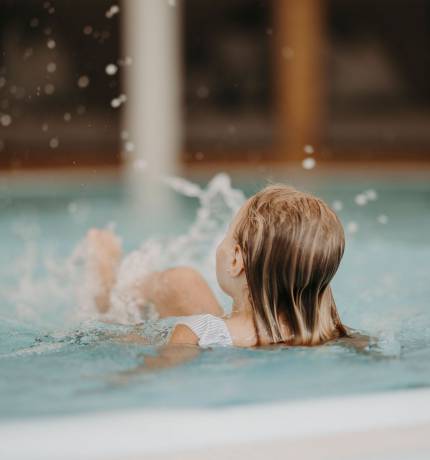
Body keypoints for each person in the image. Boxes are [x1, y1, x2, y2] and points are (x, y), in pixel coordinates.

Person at [84, 183, 368, 356]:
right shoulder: (332, 332)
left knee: (179, 281)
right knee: (184, 283)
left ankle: (109, 286)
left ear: (235, 260)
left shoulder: (196, 332)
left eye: (227, 233)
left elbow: (155, 379)